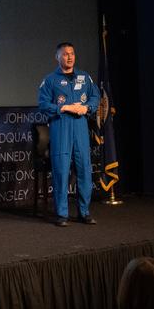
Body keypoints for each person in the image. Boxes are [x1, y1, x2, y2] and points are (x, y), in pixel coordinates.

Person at [37, 42, 100, 226]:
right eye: (65, 54)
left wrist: (87, 107)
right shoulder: (50, 80)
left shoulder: (84, 76)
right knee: (61, 172)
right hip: (61, 126)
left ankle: (84, 212)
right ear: (58, 57)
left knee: (84, 171)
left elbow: (95, 96)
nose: (70, 57)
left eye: (72, 53)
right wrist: (62, 107)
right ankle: (62, 214)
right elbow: (43, 103)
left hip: (80, 127)